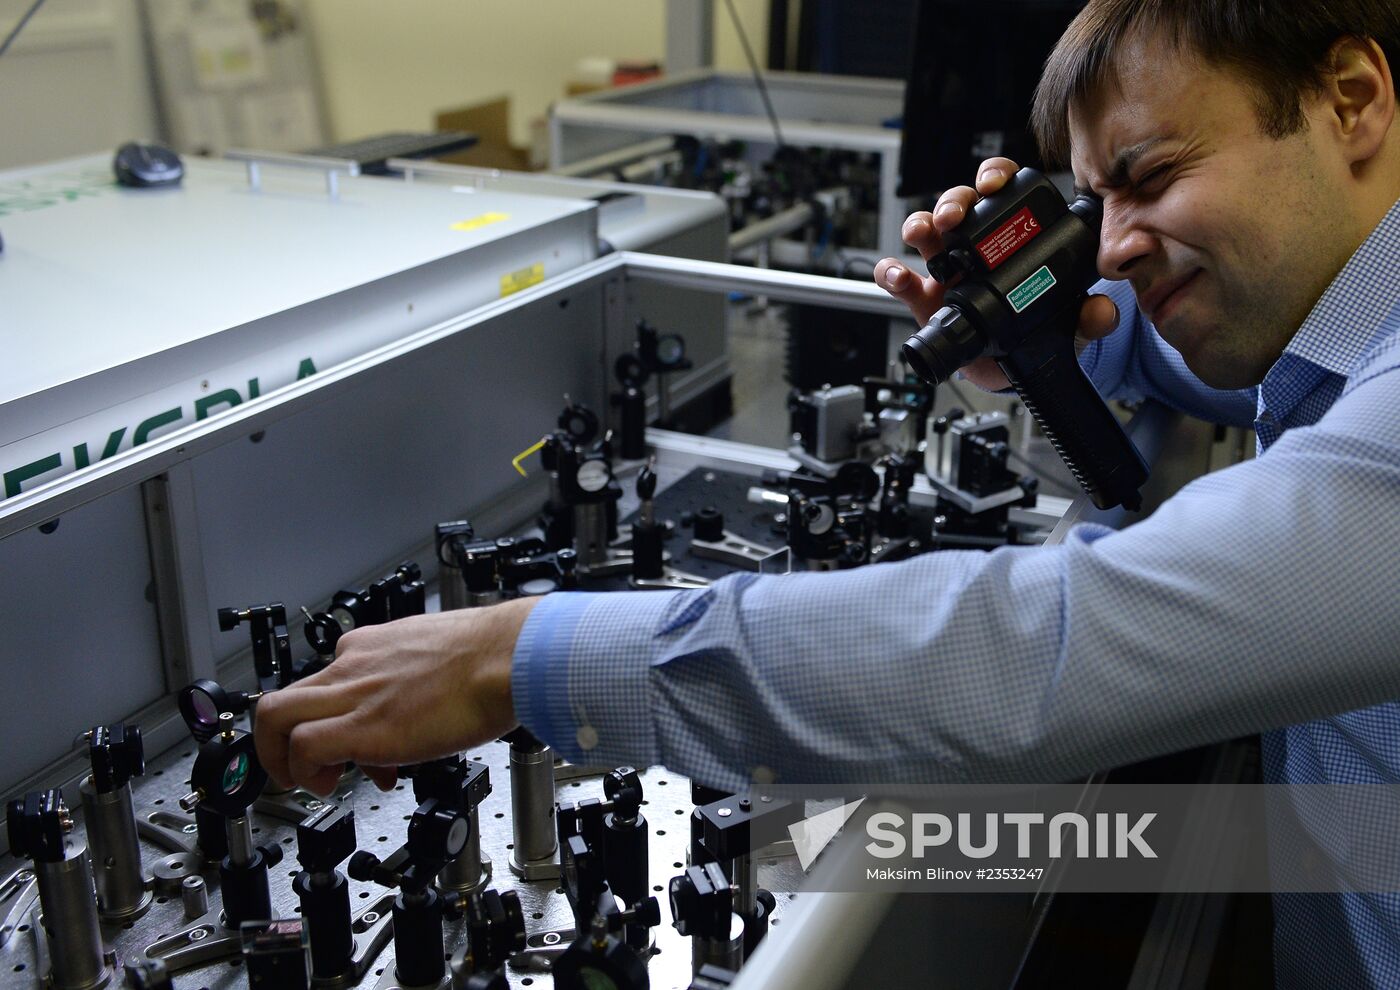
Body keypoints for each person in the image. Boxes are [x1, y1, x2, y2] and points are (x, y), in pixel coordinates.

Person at [256, 0, 1400, 984]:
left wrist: (516, 657)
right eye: (1092, 203)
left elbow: (1047, 646)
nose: (1105, 249)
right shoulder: (1340, 323)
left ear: (1349, 100)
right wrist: (1052, 335)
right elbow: (1223, 361)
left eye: (1148, 177)